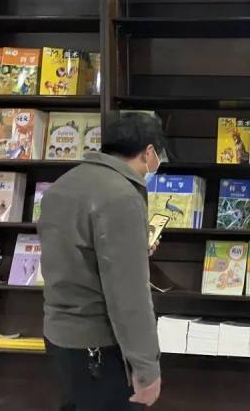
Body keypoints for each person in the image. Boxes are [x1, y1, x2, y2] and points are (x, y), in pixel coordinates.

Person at [39, 112, 164, 410]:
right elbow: (128, 295)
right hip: (99, 344)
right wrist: (147, 368)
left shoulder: (63, 184)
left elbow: (75, 252)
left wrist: (136, 249)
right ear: (149, 152)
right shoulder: (122, 195)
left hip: (59, 335)